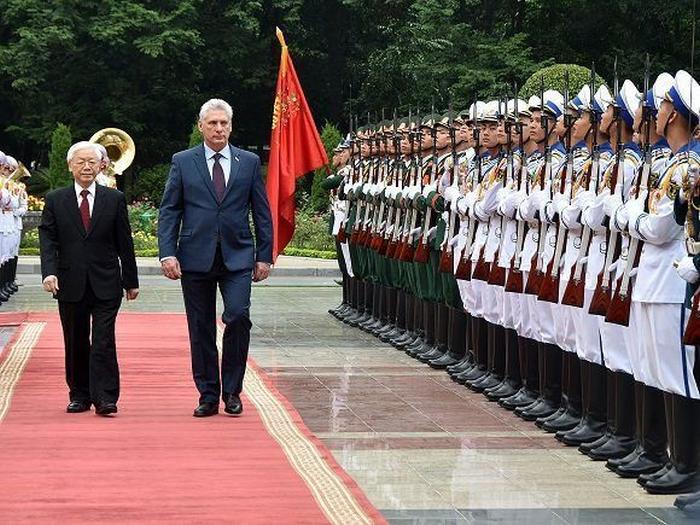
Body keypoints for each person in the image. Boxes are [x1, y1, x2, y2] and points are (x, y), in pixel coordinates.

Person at [158, 98, 273, 418]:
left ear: (231, 126)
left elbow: (261, 211)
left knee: (237, 317)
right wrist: (167, 252)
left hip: (238, 256)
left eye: (224, 123)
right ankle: (208, 394)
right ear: (201, 127)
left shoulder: (248, 162)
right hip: (195, 257)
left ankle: (232, 390)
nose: (219, 128)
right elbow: (170, 210)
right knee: (201, 327)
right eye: (212, 123)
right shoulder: (183, 161)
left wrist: (265, 255)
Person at [38, 141, 139, 415]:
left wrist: (131, 281)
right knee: (76, 339)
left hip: (106, 281)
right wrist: (49, 272)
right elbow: (48, 240)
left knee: (104, 340)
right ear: (70, 166)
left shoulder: (113, 199)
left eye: (92, 162)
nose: (86, 166)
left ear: (101, 166)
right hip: (70, 282)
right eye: (80, 161)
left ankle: (105, 397)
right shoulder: (55, 200)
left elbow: (124, 242)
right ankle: (79, 394)